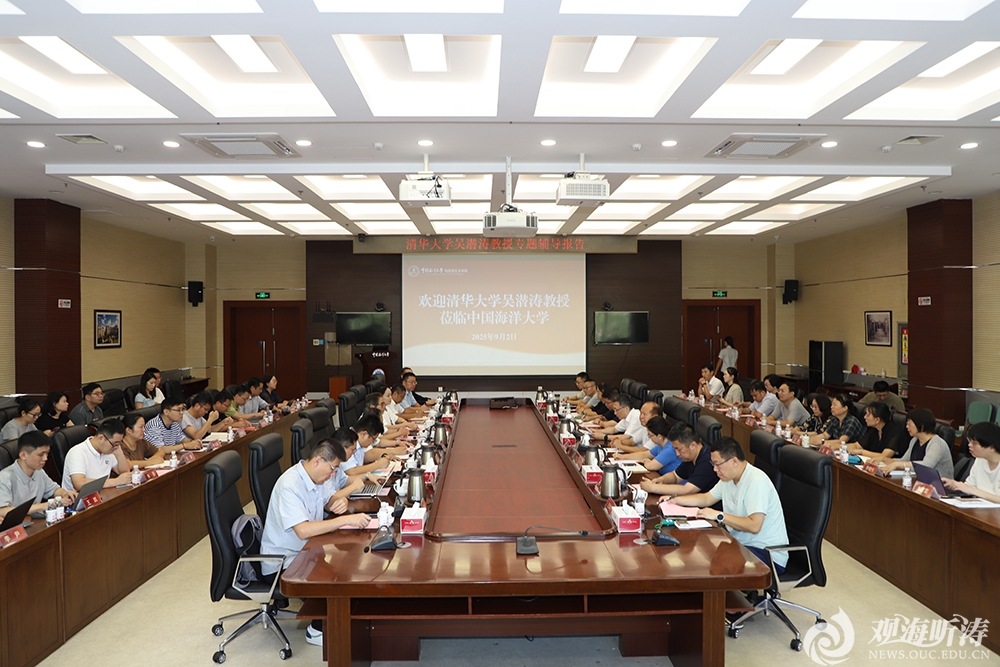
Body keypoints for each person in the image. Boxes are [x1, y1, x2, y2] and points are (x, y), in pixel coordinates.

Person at [259, 437, 373, 645]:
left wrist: (340, 502)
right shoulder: (290, 485)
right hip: (282, 562)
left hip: (307, 551)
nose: (334, 474)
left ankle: (347, 620)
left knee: (347, 567)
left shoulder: (317, 478)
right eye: (333, 469)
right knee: (335, 580)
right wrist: (344, 520)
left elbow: (328, 501)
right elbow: (303, 530)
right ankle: (316, 630)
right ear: (318, 461)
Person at [673, 437, 788, 573]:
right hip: (741, 545)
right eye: (713, 464)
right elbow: (706, 498)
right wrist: (675, 500)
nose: (714, 469)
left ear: (734, 461)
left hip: (767, 554)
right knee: (704, 555)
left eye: (717, 464)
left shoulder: (756, 481)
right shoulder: (728, 479)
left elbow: (754, 525)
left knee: (715, 566)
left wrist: (719, 515)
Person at [0, 431, 76, 518]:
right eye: (41, 454)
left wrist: (65, 494)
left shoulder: (38, 471)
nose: (45, 458)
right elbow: (2, 511)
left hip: (35, 521)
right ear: (23, 455)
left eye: (47, 453)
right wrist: (46, 505)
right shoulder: (5, 478)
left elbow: (54, 490)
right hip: (17, 524)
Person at [639, 424, 718, 498]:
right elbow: (675, 476)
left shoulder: (707, 461)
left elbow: (687, 490)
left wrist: (653, 488)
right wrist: (662, 479)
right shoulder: (691, 457)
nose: (677, 454)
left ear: (692, 446)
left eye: (679, 449)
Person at [882, 408, 954, 479]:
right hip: (919, 480)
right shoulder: (915, 440)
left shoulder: (937, 444)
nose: (907, 426)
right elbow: (904, 460)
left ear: (921, 426)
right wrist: (882, 460)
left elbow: (926, 465)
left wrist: (898, 465)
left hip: (940, 484)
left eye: (909, 423)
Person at [61, 418, 132, 491]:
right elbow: (79, 484)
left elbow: (124, 473)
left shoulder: (110, 449)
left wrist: (119, 451)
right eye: (114, 444)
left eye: (118, 444)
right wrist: (115, 481)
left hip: (102, 493)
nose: (115, 447)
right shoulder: (77, 452)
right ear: (101, 438)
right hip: (80, 496)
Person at [944, 422, 1000, 502]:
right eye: (969, 441)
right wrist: (955, 485)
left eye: (974, 443)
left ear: (992, 447)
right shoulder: (980, 460)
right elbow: (969, 486)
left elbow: (971, 489)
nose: (969, 445)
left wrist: (973, 490)